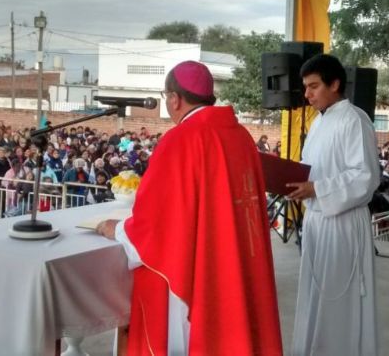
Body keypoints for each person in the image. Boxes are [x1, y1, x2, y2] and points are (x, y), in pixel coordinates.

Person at [96, 60, 282, 355]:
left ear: (174, 98)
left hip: (198, 268)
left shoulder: (181, 138)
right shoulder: (241, 136)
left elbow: (155, 223)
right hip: (234, 254)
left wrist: (116, 229)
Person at [286, 54, 380, 356]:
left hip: (342, 222)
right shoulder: (318, 123)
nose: (308, 94)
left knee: (339, 300)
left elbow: (365, 176)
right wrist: (292, 180)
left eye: (314, 86)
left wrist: (317, 188)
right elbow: (313, 167)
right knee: (316, 295)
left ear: (335, 84)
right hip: (317, 220)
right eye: (306, 87)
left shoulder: (355, 120)